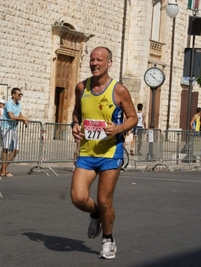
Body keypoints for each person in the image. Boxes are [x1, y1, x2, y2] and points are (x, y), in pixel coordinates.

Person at [70, 46, 138, 260]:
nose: (94, 63)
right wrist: (74, 125)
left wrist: (117, 129)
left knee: (105, 199)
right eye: (91, 59)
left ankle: (108, 239)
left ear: (109, 63)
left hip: (111, 152)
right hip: (87, 152)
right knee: (78, 198)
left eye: (99, 60)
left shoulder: (119, 90)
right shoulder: (81, 87)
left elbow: (133, 117)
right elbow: (76, 113)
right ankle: (96, 214)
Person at [0, 87, 28, 177]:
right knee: (6, 148)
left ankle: (3, 168)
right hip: (6, 127)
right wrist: (22, 118)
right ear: (13, 95)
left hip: (13, 128)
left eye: (21, 94)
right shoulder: (9, 103)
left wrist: (24, 120)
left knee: (16, 150)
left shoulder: (18, 104)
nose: (20, 96)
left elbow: (20, 115)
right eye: (19, 94)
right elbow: (11, 116)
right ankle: (4, 170)